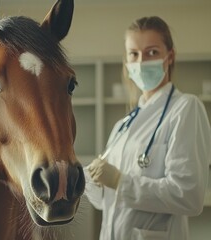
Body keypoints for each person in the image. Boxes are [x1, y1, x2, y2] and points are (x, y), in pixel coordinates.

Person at [84, 16, 211, 240]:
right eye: (134, 54)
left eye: (152, 52)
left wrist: (120, 182)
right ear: (127, 60)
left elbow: (189, 196)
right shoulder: (122, 126)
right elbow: (106, 203)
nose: (141, 62)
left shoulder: (185, 108)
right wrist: (89, 181)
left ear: (169, 57)